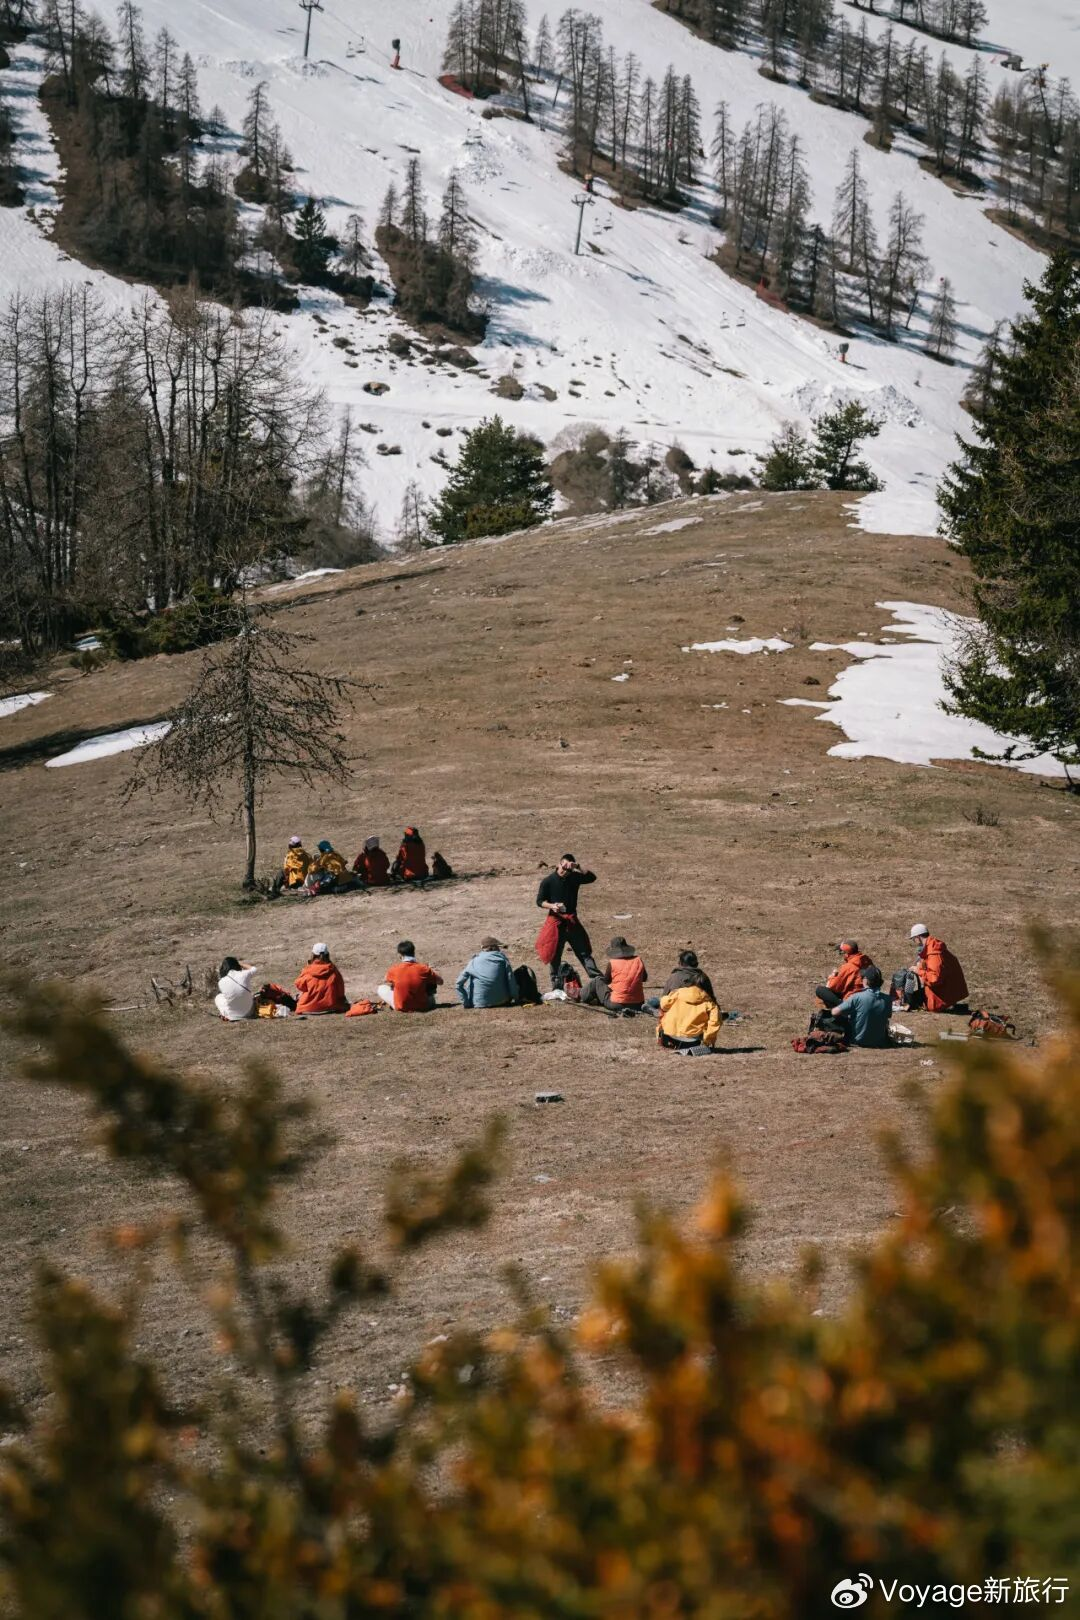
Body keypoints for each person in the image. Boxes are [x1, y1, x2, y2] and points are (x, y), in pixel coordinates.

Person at [535, 854, 599, 988]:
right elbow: (539, 901)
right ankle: (556, 986)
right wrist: (552, 906)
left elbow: (592, 877)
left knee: (584, 952)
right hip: (556, 922)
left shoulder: (574, 877)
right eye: (563, 868)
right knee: (555, 955)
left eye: (568, 870)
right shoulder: (548, 881)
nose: (565, 872)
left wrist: (578, 867)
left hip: (572, 922)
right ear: (558, 864)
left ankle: (598, 981)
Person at [892, 924, 969, 1012]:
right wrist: (919, 967)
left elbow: (934, 979)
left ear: (918, 937)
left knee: (913, 996)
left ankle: (903, 1002)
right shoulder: (933, 947)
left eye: (913, 939)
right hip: (948, 990)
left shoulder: (933, 953)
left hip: (943, 994)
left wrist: (918, 971)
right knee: (913, 992)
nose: (914, 942)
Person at [657, 977, 724, 1055]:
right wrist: (707, 1041)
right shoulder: (709, 1003)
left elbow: (664, 1005)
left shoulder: (677, 993)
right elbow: (715, 1022)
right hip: (692, 1042)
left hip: (668, 1038)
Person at [832, 965, 893, 1049]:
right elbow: (887, 1016)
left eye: (863, 977)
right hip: (879, 1041)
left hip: (857, 1040)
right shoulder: (888, 999)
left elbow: (834, 1012)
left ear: (866, 981)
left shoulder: (857, 997)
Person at [586, 936, 648, 1013]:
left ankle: (579, 994)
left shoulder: (612, 963)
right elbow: (644, 978)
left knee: (597, 980)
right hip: (638, 1004)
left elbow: (606, 981)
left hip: (617, 1004)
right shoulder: (638, 960)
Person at [378, 940, 443, 1011]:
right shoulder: (424, 968)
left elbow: (385, 980)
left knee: (381, 988)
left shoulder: (394, 969)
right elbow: (440, 982)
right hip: (423, 1006)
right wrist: (432, 970)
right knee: (428, 982)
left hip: (401, 1007)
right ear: (413, 953)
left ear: (400, 955)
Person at [456, 937, 516, 1009]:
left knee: (472, 976)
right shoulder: (502, 959)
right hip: (503, 1001)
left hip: (479, 1004)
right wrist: (515, 997)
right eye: (498, 947)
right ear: (494, 948)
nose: (499, 950)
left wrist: (466, 1003)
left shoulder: (474, 961)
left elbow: (458, 984)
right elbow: (510, 979)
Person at [646, 949, 716, 1010]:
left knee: (653, 1001)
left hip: (676, 1011)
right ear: (697, 964)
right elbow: (711, 999)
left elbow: (664, 998)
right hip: (698, 1012)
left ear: (680, 963)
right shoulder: (702, 977)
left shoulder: (674, 977)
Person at [816, 940, 876, 1009]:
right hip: (870, 997)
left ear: (846, 953)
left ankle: (843, 1008)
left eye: (842, 952)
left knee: (820, 990)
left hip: (853, 999)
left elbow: (833, 986)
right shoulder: (867, 961)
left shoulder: (849, 967)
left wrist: (832, 976)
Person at [294, 943, 349, 1015]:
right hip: (332, 1007)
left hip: (308, 1008)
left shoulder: (308, 970)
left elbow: (300, 986)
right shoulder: (333, 970)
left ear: (313, 955)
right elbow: (341, 991)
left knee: (299, 996)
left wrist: (306, 968)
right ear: (327, 955)